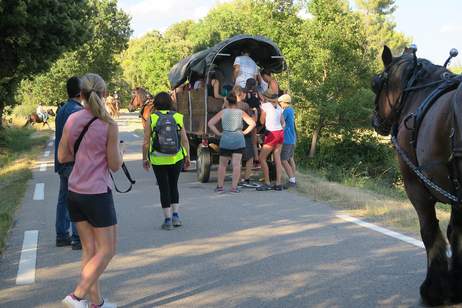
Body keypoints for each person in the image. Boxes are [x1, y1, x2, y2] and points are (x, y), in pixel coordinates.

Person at [59, 73, 123, 308]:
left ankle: (96, 303)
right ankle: (76, 296)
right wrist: (118, 150)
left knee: (90, 250)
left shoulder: (72, 120)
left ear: (81, 94)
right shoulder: (109, 125)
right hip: (97, 193)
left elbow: (63, 156)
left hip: (75, 191)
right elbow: (115, 166)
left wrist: (84, 156)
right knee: (107, 251)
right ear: (104, 94)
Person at [142, 92, 190, 230]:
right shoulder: (178, 117)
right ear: (170, 103)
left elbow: (146, 142)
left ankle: (167, 220)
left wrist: (145, 158)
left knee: (164, 188)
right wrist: (187, 156)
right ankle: (176, 216)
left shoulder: (152, 118)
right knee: (173, 185)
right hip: (176, 157)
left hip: (158, 158)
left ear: (156, 104)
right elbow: (184, 140)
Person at [54, 77, 83, 250]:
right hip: (72, 161)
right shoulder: (76, 111)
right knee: (76, 199)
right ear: (81, 92)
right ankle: (77, 237)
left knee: (64, 198)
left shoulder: (63, 109)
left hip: (61, 160)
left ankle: (61, 234)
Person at [208, 92, 256, 193]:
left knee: (222, 165)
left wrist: (218, 133)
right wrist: (244, 132)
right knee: (237, 164)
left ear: (227, 102)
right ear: (235, 102)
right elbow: (253, 123)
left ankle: (220, 186)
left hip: (226, 139)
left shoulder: (223, 112)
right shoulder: (241, 112)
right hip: (238, 139)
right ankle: (234, 187)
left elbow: (210, 123)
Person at [256, 92, 285, 191]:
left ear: (266, 98)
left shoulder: (266, 106)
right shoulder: (279, 107)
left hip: (272, 134)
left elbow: (262, 121)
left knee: (262, 158)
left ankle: (267, 182)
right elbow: (283, 122)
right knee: (277, 159)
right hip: (280, 133)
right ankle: (278, 183)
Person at [232, 86, 258, 188]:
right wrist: (255, 112)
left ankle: (237, 179)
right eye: (244, 93)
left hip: (232, 133)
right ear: (241, 94)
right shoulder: (245, 105)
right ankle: (246, 179)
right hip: (244, 134)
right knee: (249, 158)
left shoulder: (229, 105)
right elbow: (252, 120)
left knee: (236, 158)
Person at [278, 94, 297, 187]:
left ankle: (292, 180)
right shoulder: (292, 110)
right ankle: (293, 176)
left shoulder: (286, 111)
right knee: (290, 158)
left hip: (287, 138)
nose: (280, 104)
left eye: (280, 102)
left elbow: (280, 121)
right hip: (292, 138)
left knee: (283, 160)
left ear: (284, 102)